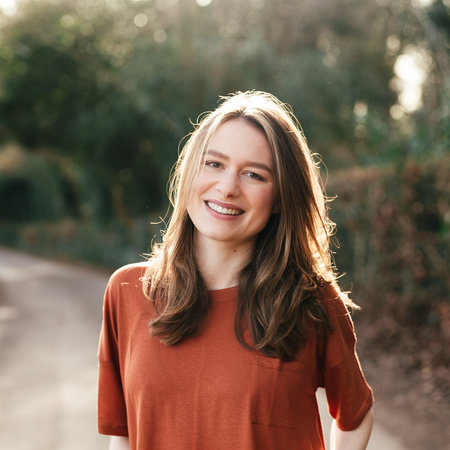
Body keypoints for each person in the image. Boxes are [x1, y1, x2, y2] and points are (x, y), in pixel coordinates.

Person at [97, 91, 374, 450]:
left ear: (279, 199)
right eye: (214, 164)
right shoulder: (127, 291)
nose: (228, 188)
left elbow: (355, 415)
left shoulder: (311, 300)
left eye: (254, 175)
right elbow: (123, 434)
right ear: (189, 172)